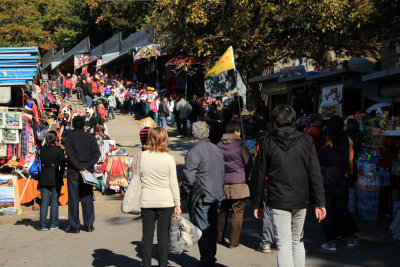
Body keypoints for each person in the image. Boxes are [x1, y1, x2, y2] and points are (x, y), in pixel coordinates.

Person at [250, 105, 326, 267]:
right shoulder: (306, 140)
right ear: (293, 120)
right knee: (297, 240)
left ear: (275, 122)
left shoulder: (267, 142)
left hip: (278, 198)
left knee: (284, 243)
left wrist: (257, 203)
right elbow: (315, 173)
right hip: (301, 197)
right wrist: (320, 202)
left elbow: (259, 174)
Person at [182, 121, 225, 267]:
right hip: (216, 194)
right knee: (211, 228)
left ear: (194, 134)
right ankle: (209, 258)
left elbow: (189, 176)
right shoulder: (216, 148)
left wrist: (186, 191)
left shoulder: (196, 150)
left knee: (205, 229)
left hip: (203, 195)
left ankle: (207, 260)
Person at [140, 127, 181, 267]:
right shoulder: (169, 159)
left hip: (147, 200)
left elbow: (138, 177)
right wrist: (177, 203)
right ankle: (163, 264)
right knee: (163, 235)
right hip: (166, 200)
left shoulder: (142, 156)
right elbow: (173, 183)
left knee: (147, 235)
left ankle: (146, 264)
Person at [318, 115, 358, 251]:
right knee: (342, 210)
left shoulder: (328, 145)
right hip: (342, 181)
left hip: (328, 182)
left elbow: (320, 160)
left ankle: (330, 242)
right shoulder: (348, 141)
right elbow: (351, 161)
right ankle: (350, 237)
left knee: (327, 213)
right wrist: (351, 176)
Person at [216, 121, 252, 248]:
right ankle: (233, 241)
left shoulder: (219, 145)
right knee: (237, 213)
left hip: (223, 183)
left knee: (222, 211)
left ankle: (219, 237)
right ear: (236, 131)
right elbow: (248, 162)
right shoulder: (240, 145)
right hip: (239, 184)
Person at [64, 116, 101, 233]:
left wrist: (80, 167)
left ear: (73, 125)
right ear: (84, 125)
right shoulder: (90, 137)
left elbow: (70, 156)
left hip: (74, 171)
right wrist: (86, 167)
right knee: (87, 197)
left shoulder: (69, 137)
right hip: (87, 171)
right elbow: (97, 153)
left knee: (73, 198)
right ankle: (89, 224)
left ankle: (75, 226)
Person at [37, 131, 65, 231]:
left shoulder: (41, 149)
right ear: (55, 139)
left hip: (44, 176)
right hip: (55, 176)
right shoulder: (58, 150)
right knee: (54, 201)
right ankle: (53, 224)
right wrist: (60, 174)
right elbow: (62, 164)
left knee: (44, 202)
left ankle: (42, 224)